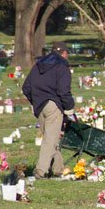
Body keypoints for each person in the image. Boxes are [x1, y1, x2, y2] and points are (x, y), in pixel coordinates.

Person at [22, 42, 75, 178]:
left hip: (39, 105)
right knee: (50, 140)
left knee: (50, 137)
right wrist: (69, 108)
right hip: (53, 106)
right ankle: (40, 170)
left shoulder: (38, 65)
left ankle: (58, 169)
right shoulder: (62, 66)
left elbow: (26, 88)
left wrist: (35, 101)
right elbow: (64, 91)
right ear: (63, 53)